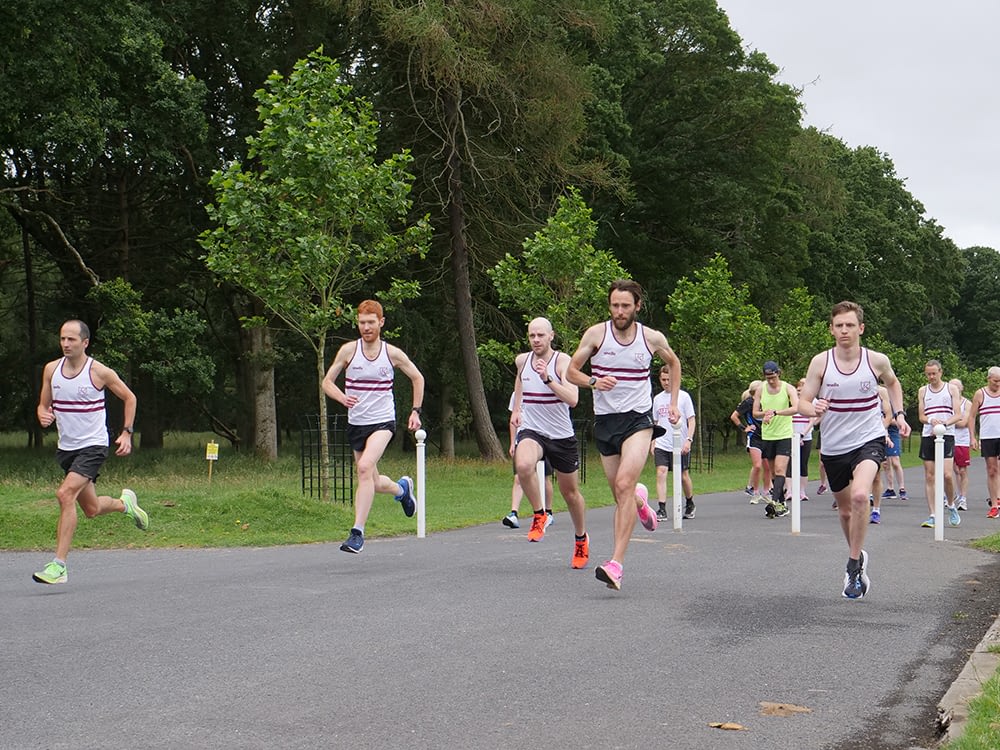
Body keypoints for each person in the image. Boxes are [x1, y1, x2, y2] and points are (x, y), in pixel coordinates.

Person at [567, 279, 681, 591]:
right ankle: (640, 502)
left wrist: (672, 404)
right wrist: (593, 382)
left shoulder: (650, 338)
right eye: (615, 306)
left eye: (625, 306)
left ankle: (616, 564)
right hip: (606, 422)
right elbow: (571, 372)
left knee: (623, 484)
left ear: (637, 306)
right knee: (622, 496)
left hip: (638, 421)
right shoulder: (596, 334)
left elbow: (674, 362)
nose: (619, 311)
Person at [797, 301, 910, 600]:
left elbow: (894, 383)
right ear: (831, 330)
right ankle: (857, 557)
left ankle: (851, 564)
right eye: (839, 326)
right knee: (846, 511)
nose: (844, 330)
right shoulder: (820, 363)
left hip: (869, 439)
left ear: (861, 328)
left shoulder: (876, 360)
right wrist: (813, 407)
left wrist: (899, 414)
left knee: (861, 496)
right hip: (834, 445)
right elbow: (803, 402)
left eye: (850, 325)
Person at [33, 319, 147, 585]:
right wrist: (42, 414)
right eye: (62, 338)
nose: (65, 344)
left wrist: (126, 432)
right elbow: (43, 405)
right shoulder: (51, 370)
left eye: (71, 339)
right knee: (92, 509)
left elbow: (130, 397)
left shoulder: (99, 372)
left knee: (65, 494)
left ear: (85, 343)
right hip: (67, 449)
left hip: (93, 446)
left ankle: (59, 566)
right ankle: (125, 505)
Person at [322, 299, 425, 554]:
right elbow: (327, 382)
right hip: (357, 423)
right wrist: (341, 397)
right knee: (374, 481)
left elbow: (417, 377)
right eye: (361, 322)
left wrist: (415, 411)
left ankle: (357, 532)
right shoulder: (348, 351)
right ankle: (402, 489)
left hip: (382, 422)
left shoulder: (392, 354)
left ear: (381, 323)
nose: (366, 327)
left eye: (371, 322)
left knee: (364, 467)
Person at [510, 318, 590, 568]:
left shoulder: (562, 362)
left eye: (540, 335)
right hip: (532, 429)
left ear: (551, 336)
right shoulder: (522, 360)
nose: (535, 340)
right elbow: (521, 380)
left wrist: (548, 379)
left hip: (560, 436)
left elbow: (573, 399)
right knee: (522, 466)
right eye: (532, 335)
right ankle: (539, 514)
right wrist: (517, 408)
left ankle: (580, 539)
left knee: (570, 493)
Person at [916, 360, 961, 529]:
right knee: (930, 475)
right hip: (928, 434)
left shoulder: (951, 389)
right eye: (928, 374)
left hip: (946, 434)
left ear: (940, 372)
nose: (931, 377)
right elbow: (921, 416)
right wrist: (931, 420)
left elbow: (958, 415)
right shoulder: (923, 391)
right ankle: (933, 514)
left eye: (934, 373)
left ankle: (950, 504)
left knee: (947, 475)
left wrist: (944, 423)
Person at [752, 361, 799, 518]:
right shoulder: (760, 389)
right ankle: (782, 503)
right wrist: (764, 413)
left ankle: (774, 502)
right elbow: (755, 413)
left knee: (780, 469)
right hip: (768, 435)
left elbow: (796, 408)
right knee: (773, 472)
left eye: (773, 377)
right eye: (768, 378)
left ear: (779, 373)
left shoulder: (788, 388)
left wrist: (776, 412)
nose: (771, 380)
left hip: (784, 434)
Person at [651, 365, 696, 521]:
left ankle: (690, 502)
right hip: (662, 443)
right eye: (663, 379)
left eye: (669, 379)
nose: (666, 382)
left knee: (683, 475)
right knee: (661, 472)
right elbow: (655, 422)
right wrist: (653, 442)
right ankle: (662, 508)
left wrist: (688, 440)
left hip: (680, 443)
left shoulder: (683, 397)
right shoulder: (657, 399)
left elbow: (692, 420)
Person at [503, 392, 554, 529]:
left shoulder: (544, 389)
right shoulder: (516, 394)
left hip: (543, 438)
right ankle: (514, 513)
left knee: (544, 477)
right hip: (523, 439)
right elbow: (513, 420)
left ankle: (548, 511)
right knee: (519, 477)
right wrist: (513, 442)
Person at [965, 367, 1000, 518]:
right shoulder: (980, 394)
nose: (998, 384)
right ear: (988, 379)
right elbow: (972, 417)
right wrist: (972, 437)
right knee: (992, 470)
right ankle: (994, 504)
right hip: (988, 436)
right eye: (995, 381)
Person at [731, 381, 769, 504]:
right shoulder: (748, 402)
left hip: (768, 436)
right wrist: (744, 428)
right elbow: (734, 416)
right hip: (754, 437)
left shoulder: (767, 401)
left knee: (767, 467)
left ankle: (767, 492)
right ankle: (756, 492)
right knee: (757, 466)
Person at [868, 385, 894, 524]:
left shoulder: (881, 391)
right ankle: (858, 506)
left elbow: (888, 416)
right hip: (855, 436)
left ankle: (876, 510)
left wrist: (883, 433)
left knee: (876, 475)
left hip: (875, 436)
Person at [790, 377, 818, 503]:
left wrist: (802, 434)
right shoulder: (792, 403)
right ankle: (789, 491)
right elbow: (787, 420)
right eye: (798, 390)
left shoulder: (811, 403)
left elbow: (812, 420)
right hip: (791, 436)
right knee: (789, 464)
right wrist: (793, 435)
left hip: (805, 436)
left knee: (803, 464)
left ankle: (802, 491)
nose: (799, 392)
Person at [950, 378, 971, 511]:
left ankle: (963, 498)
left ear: (961, 388)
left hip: (962, 441)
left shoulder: (967, 403)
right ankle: (951, 496)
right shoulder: (947, 402)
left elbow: (963, 423)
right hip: (949, 438)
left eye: (957, 387)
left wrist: (947, 421)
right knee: (951, 471)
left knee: (962, 470)